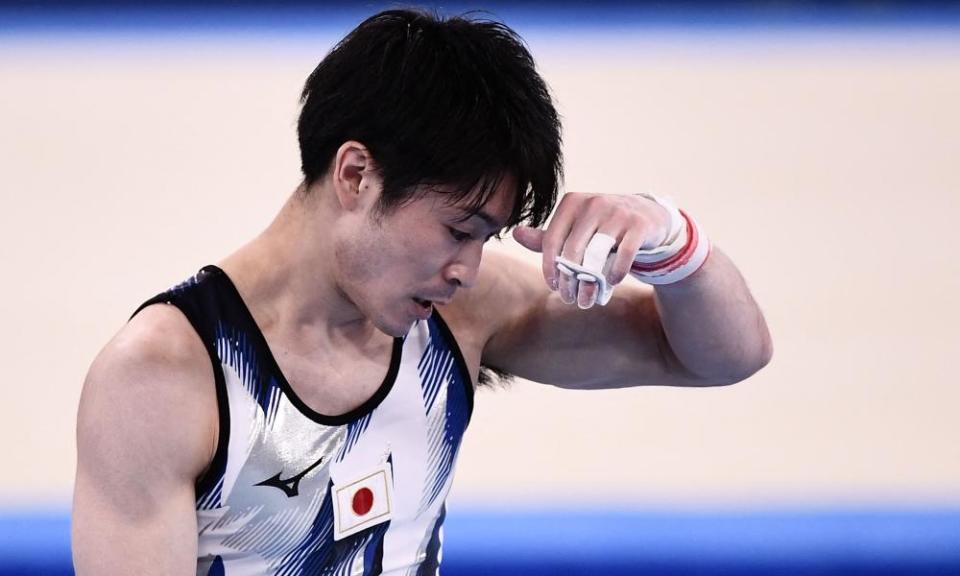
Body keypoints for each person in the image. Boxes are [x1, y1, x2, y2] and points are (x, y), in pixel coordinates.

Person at [72, 8, 772, 575]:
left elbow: (724, 356)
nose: (467, 268)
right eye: (456, 230)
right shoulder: (164, 378)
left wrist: (675, 243)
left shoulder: (463, 312)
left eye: (485, 240)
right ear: (355, 175)